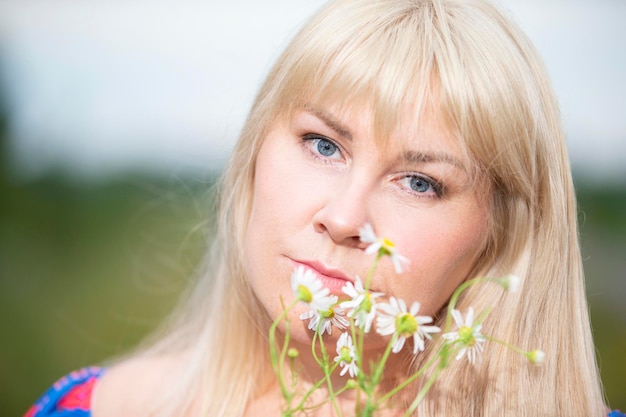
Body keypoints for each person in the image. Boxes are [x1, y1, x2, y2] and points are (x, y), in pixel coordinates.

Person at [24, 0, 620, 416]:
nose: (343, 217)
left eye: (418, 182)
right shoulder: (90, 409)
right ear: (254, 150)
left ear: (497, 235)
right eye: (323, 145)